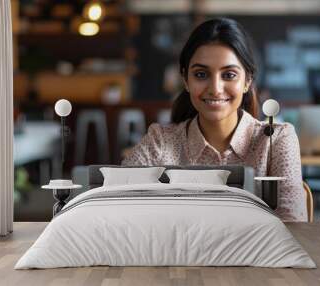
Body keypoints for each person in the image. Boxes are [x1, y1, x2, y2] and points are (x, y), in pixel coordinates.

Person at [122, 18, 306, 222]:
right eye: (201, 74)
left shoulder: (276, 140)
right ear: (185, 80)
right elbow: (119, 206)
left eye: (229, 75)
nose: (215, 88)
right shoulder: (160, 141)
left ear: (248, 81)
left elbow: (293, 227)